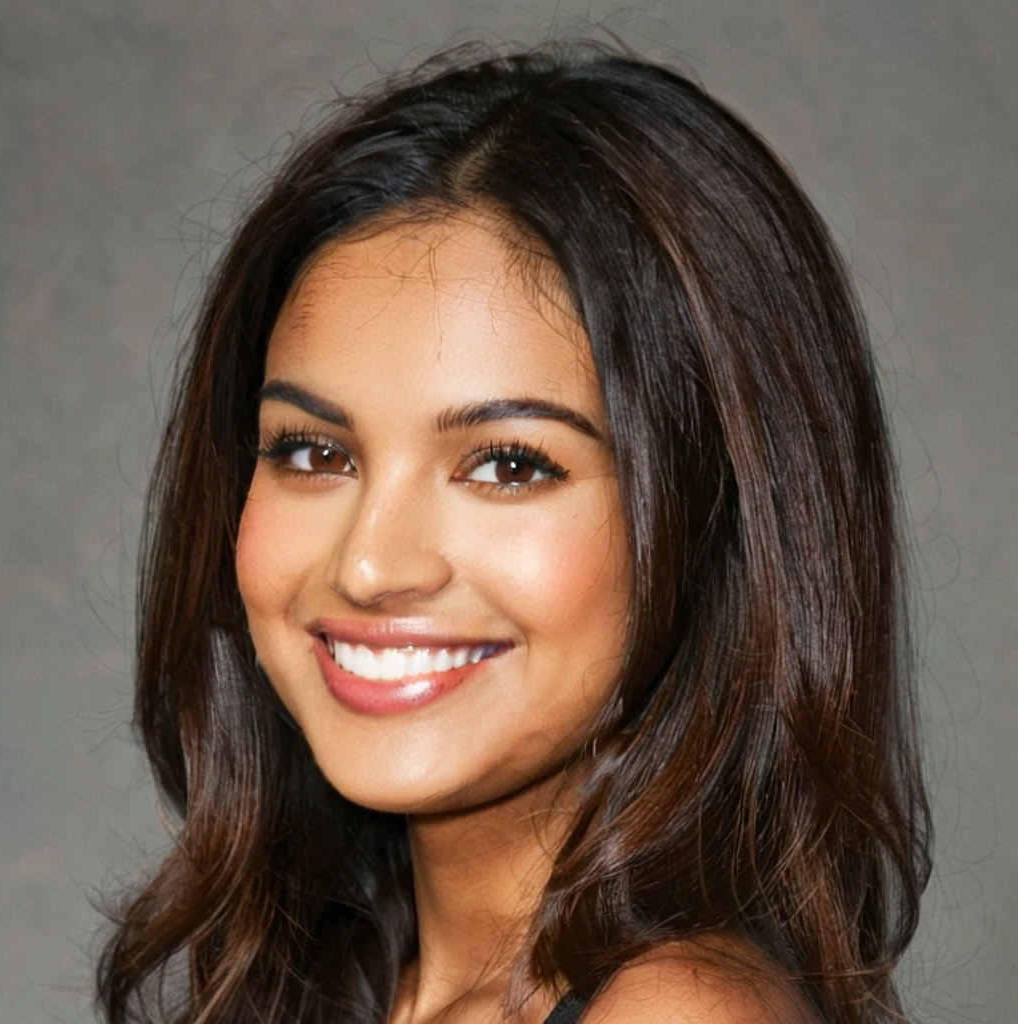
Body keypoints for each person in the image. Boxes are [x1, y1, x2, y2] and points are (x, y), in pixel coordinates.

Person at [95, 37, 933, 1024]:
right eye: (316, 453)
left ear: (716, 523)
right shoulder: (362, 984)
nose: (370, 563)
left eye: (506, 464)